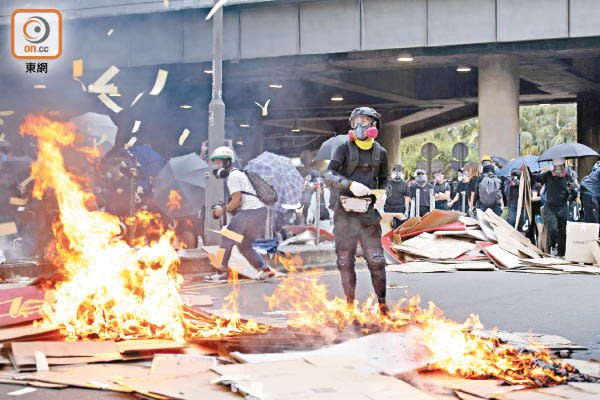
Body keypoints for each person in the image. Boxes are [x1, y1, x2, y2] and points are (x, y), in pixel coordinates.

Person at [324, 107, 389, 314]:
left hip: (368, 214)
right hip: (344, 212)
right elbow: (329, 175)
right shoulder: (343, 148)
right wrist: (350, 185)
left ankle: (382, 305)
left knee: (376, 260)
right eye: (356, 121)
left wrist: (383, 194)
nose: (360, 125)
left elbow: (384, 180)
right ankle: (349, 306)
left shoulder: (381, 153)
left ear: (374, 125)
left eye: (364, 120)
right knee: (344, 259)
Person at [207, 146, 275, 280]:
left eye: (219, 162)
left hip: (251, 212)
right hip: (259, 213)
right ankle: (265, 269)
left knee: (227, 238)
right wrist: (227, 206)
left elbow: (237, 200)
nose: (216, 166)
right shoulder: (238, 174)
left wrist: (222, 210)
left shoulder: (233, 176)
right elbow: (239, 199)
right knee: (244, 245)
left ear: (227, 163)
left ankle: (220, 273)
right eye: (214, 163)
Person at [532, 158, 578, 257]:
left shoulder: (568, 177)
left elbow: (574, 195)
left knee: (562, 232)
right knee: (552, 228)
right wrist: (528, 172)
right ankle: (552, 246)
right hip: (550, 207)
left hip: (562, 207)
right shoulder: (548, 175)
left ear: (563, 167)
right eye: (555, 167)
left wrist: (572, 189)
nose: (557, 169)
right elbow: (536, 178)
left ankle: (561, 253)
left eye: (560, 167)